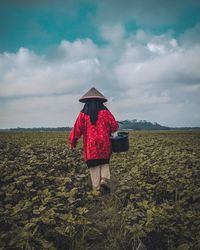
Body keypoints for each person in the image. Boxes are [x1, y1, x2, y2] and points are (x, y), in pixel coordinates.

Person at [69, 87, 119, 194]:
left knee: (94, 166)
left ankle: (96, 192)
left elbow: (76, 130)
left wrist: (73, 143)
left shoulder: (83, 114)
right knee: (104, 162)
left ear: (86, 102)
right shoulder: (105, 112)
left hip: (91, 145)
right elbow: (114, 126)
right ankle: (104, 179)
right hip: (105, 143)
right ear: (100, 101)